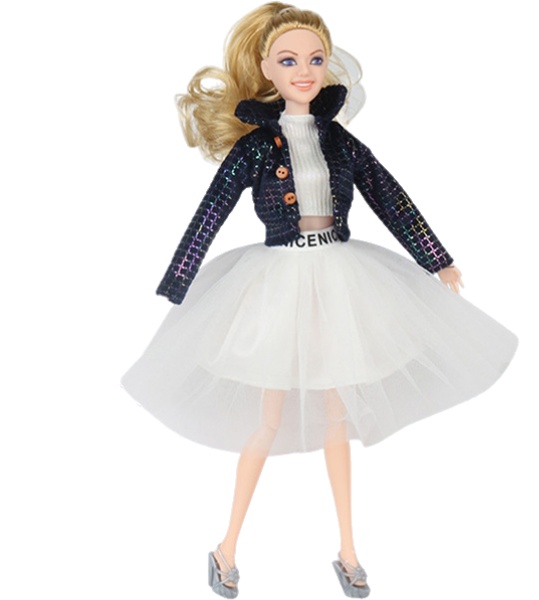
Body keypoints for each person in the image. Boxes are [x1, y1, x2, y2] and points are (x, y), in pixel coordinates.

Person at [121, 3, 518, 598]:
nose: (303, 71)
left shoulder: (340, 140)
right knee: (267, 419)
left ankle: (348, 551)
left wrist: (436, 258)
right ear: (266, 69)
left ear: (327, 65)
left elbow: (389, 196)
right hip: (278, 282)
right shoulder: (255, 147)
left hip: (338, 276)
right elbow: (211, 211)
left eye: (313, 60)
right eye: (288, 61)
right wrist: (180, 279)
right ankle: (226, 547)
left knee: (338, 418)